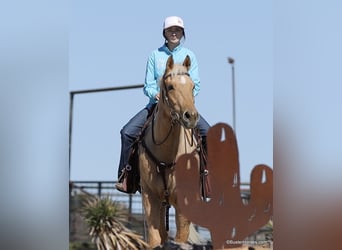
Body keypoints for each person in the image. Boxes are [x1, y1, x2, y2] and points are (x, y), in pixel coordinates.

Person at [116, 16, 210, 192]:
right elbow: (148, 84)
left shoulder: (190, 56)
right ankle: (127, 176)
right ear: (164, 33)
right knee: (127, 133)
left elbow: (195, 84)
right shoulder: (155, 55)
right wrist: (155, 94)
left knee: (209, 134)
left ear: (182, 33)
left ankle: (207, 179)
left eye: (178, 30)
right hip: (156, 106)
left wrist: (185, 99)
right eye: (170, 30)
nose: (174, 33)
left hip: (183, 107)